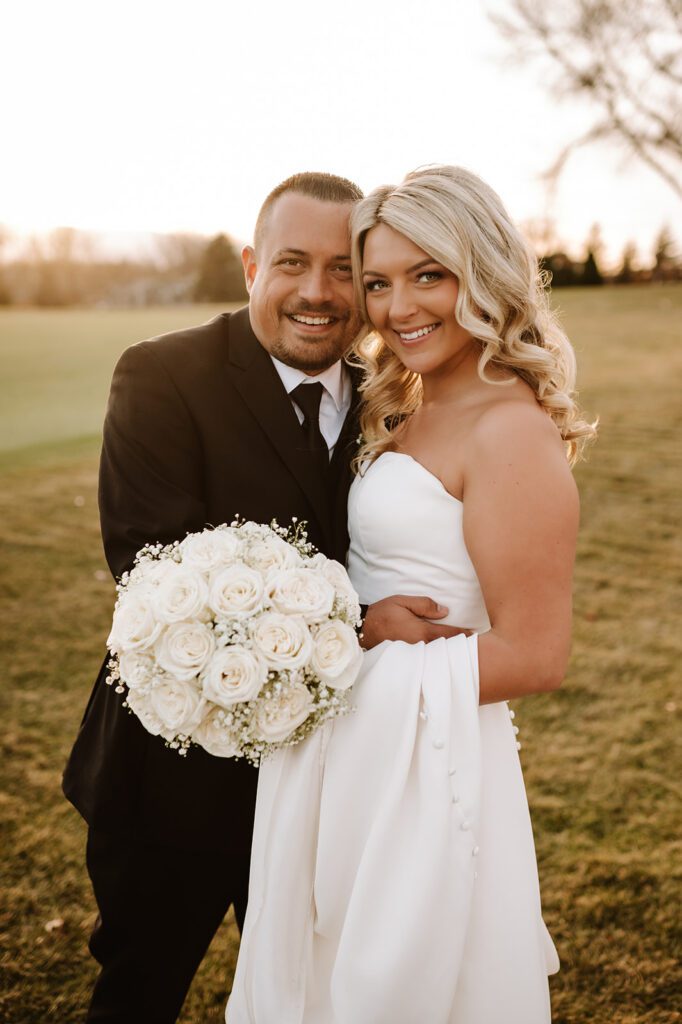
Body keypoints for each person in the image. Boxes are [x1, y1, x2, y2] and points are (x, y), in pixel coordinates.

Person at [62, 171, 457, 1024]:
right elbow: (153, 570)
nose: (317, 293)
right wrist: (358, 626)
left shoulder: (390, 392)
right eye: (292, 262)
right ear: (251, 266)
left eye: (344, 269)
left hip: (338, 773)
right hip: (178, 776)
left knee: (317, 998)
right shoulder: (163, 375)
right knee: (141, 984)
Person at [227, 166, 597, 1023]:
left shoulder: (508, 429)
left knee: (402, 985)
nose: (398, 309)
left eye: (429, 274)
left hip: (425, 766)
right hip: (357, 757)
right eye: (380, 282)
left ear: (485, 272)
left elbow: (537, 655)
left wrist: (354, 661)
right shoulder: (414, 404)